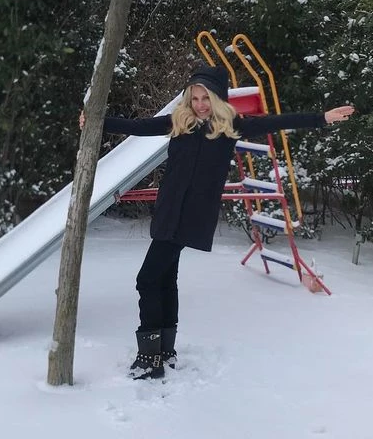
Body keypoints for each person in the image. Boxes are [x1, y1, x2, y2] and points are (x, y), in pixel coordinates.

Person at [81, 64, 354, 380]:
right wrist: (98, 122)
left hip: (191, 216)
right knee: (166, 277)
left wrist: (322, 118)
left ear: (218, 99)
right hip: (169, 211)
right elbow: (139, 126)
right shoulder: (179, 123)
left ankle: (149, 359)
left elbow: (277, 122)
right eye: (194, 98)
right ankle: (165, 351)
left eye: (205, 98)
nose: (199, 104)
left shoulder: (229, 128)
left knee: (147, 280)